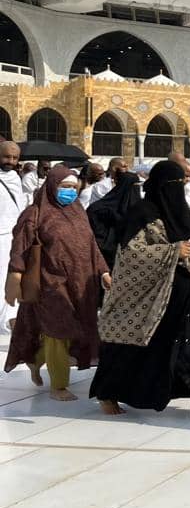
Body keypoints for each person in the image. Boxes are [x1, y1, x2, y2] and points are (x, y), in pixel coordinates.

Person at [90, 160, 190, 416]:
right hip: (154, 295)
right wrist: (172, 251)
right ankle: (107, 392)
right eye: (173, 184)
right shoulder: (142, 213)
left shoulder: (182, 210)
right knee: (138, 345)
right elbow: (131, 254)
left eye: (182, 183)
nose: (178, 188)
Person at [3, 167, 110, 400]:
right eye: (65, 187)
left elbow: (92, 246)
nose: (70, 192)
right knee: (58, 331)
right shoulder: (35, 214)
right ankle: (58, 386)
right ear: (52, 186)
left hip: (81, 284)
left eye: (73, 187)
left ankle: (37, 358)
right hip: (49, 282)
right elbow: (20, 248)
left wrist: (103, 272)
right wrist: (15, 276)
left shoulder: (78, 211)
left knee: (74, 331)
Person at [0, 141, 29, 341]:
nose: (11, 161)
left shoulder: (15, 179)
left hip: (15, 238)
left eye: (15, 158)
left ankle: (10, 321)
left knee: (13, 280)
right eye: (6, 157)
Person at [86, 170, 142, 269]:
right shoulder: (99, 210)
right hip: (105, 263)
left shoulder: (97, 208)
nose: (136, 191)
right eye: (135, 187)